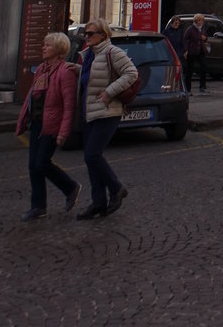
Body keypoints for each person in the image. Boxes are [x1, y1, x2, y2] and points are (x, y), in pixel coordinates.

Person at [15, 32, 82, 221]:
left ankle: (70, 187)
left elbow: (69, 106)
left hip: (52, 125)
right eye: (44, 44)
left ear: (59, 49)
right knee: (33, 166)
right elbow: (31, 97)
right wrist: (22, 120)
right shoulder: (42, 69)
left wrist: (63, 132)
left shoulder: (66, 71)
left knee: (41, 163)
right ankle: (38, 206)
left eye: (48, 45)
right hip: (37, 123)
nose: (43, 47)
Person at [76, 19, 138, 219]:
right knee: (91, 159)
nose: (87, 37)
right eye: (85, 34)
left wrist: (109, 92)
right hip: (90, 112)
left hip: (107, 111)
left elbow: (132, 73)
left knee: (92, 155)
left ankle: (116, 188)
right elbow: (92, 77)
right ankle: (98, 202)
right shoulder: (87, 56)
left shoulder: (113, 52)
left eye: (91, 33)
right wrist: (74, 69)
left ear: (103, 35)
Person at [183, 14, 209, 95]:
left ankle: (202, 87)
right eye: (199, 20)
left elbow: (205, 38)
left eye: (201, 20)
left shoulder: (203, 28)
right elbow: (185, 39)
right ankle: (188, 89)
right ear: (195, 21)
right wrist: (186, 50)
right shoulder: (190, 29)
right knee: (190, 70)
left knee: (204, 68)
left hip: (201, 51)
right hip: (192, 51)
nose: (200, 22)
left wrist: (205, 38)